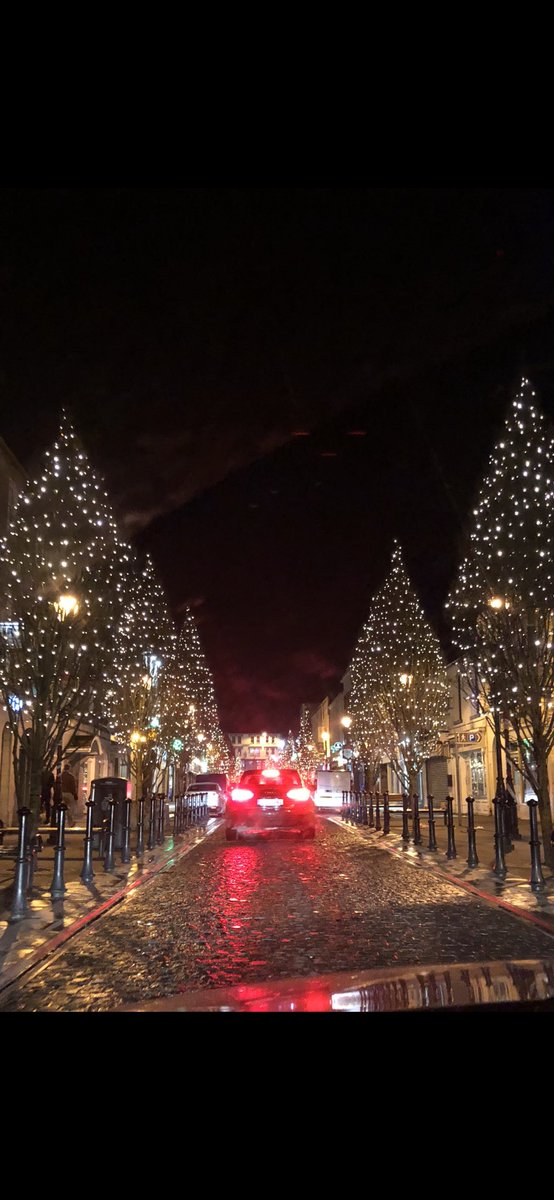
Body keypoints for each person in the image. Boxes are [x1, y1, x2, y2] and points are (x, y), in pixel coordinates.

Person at [60, 761, 78, 827]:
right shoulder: (71, 777)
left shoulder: (60, 776)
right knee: (70, 808)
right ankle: (70, 822)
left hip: (61, 793)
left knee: (62, 807)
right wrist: (75, 794)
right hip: (69, 793)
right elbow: (73, 786)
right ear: (69, 768)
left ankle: (61, 821)